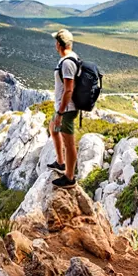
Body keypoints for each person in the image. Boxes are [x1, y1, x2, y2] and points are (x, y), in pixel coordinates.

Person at [47, 29, 80, 188]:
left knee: (69, 143)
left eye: (56, 42)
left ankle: (69, 177)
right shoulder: (69, 59)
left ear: (59, 45)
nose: (55, 45)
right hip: (61, 108)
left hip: (66, 110)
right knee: (53, 129)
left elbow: (69, 90)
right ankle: (60, 162)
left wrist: (60, 112)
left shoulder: (67, 63)